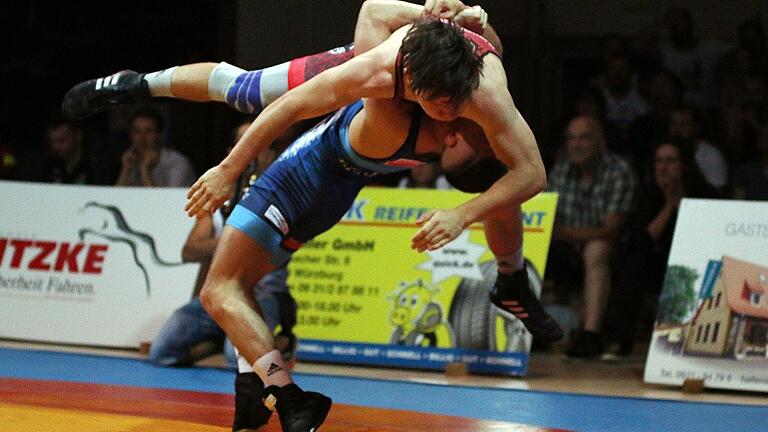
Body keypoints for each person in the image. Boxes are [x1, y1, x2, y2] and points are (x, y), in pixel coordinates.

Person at [62, 2, 563, 430]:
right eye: (437, 109)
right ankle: (136, 85)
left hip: (396, 120)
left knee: (504, 174)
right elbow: (355, 32)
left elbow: (530, 173)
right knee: (248, 90)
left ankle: (511, 277)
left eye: (454, 111)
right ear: (410, 83)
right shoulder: (372, 70)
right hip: (363, 105)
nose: (450, 122)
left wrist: (462, 214)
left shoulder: (483, 92)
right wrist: (229, 167)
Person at [149, 120, 298, 372]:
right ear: (231, 152)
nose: (250, 151)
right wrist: (236, 240)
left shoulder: (284, 197)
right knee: (162, 351)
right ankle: (215, 340)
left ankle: (283, 341)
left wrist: (229, 241)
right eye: (243, 144)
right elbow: (190, 250)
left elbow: (275, 250)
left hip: (262, 295)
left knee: (236, 359)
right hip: (217, 294)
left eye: (259, 144)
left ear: (271, 152)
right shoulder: (218, 198)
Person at [603, 138, 718, 361]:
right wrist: (668, 206)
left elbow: (708, 238)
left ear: (684, 165)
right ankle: (619, 341)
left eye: (670, 161)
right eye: (658, 161)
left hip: (696, 264)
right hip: (658, 265)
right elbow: (641, 242)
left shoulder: (706, 193)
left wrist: (682, 203)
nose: (663, 167)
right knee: (634, 264)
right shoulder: (647, 195)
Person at [546, 115, 637, 359]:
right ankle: (525, 332)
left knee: (596, 248)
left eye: (585, 138)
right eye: (572, 138)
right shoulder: (560, 171)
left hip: (611, 254)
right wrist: (562, 234)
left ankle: (590, 335)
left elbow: (611, 229)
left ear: (600, 142)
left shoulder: (618, 172)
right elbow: (546, 223)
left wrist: (565, 233)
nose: (576, 144)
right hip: (565, 251)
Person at [115, 107, 196, 187]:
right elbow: (115, 198)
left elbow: (169, 200)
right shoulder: (131, 161)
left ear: (159, 134)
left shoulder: (178, 163)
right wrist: (125, 170)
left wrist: (145, 171)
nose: (142, 137)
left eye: (149, 131)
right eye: (137, 131)